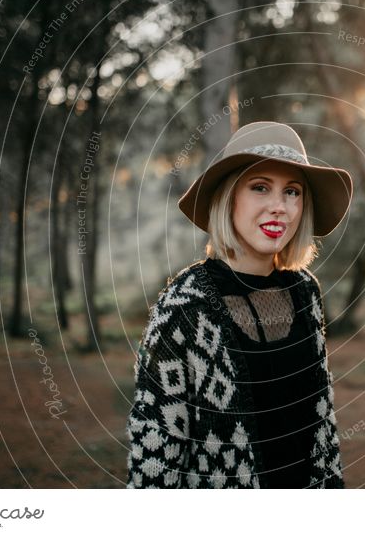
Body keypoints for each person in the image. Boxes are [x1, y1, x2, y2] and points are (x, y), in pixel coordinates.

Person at [126, 121, 353, 489]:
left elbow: (322, 423)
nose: (280, 207)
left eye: (292, 192)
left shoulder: (305, 293)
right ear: (228, 197)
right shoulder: (185, 305)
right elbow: (154, 452)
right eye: (260, 187)